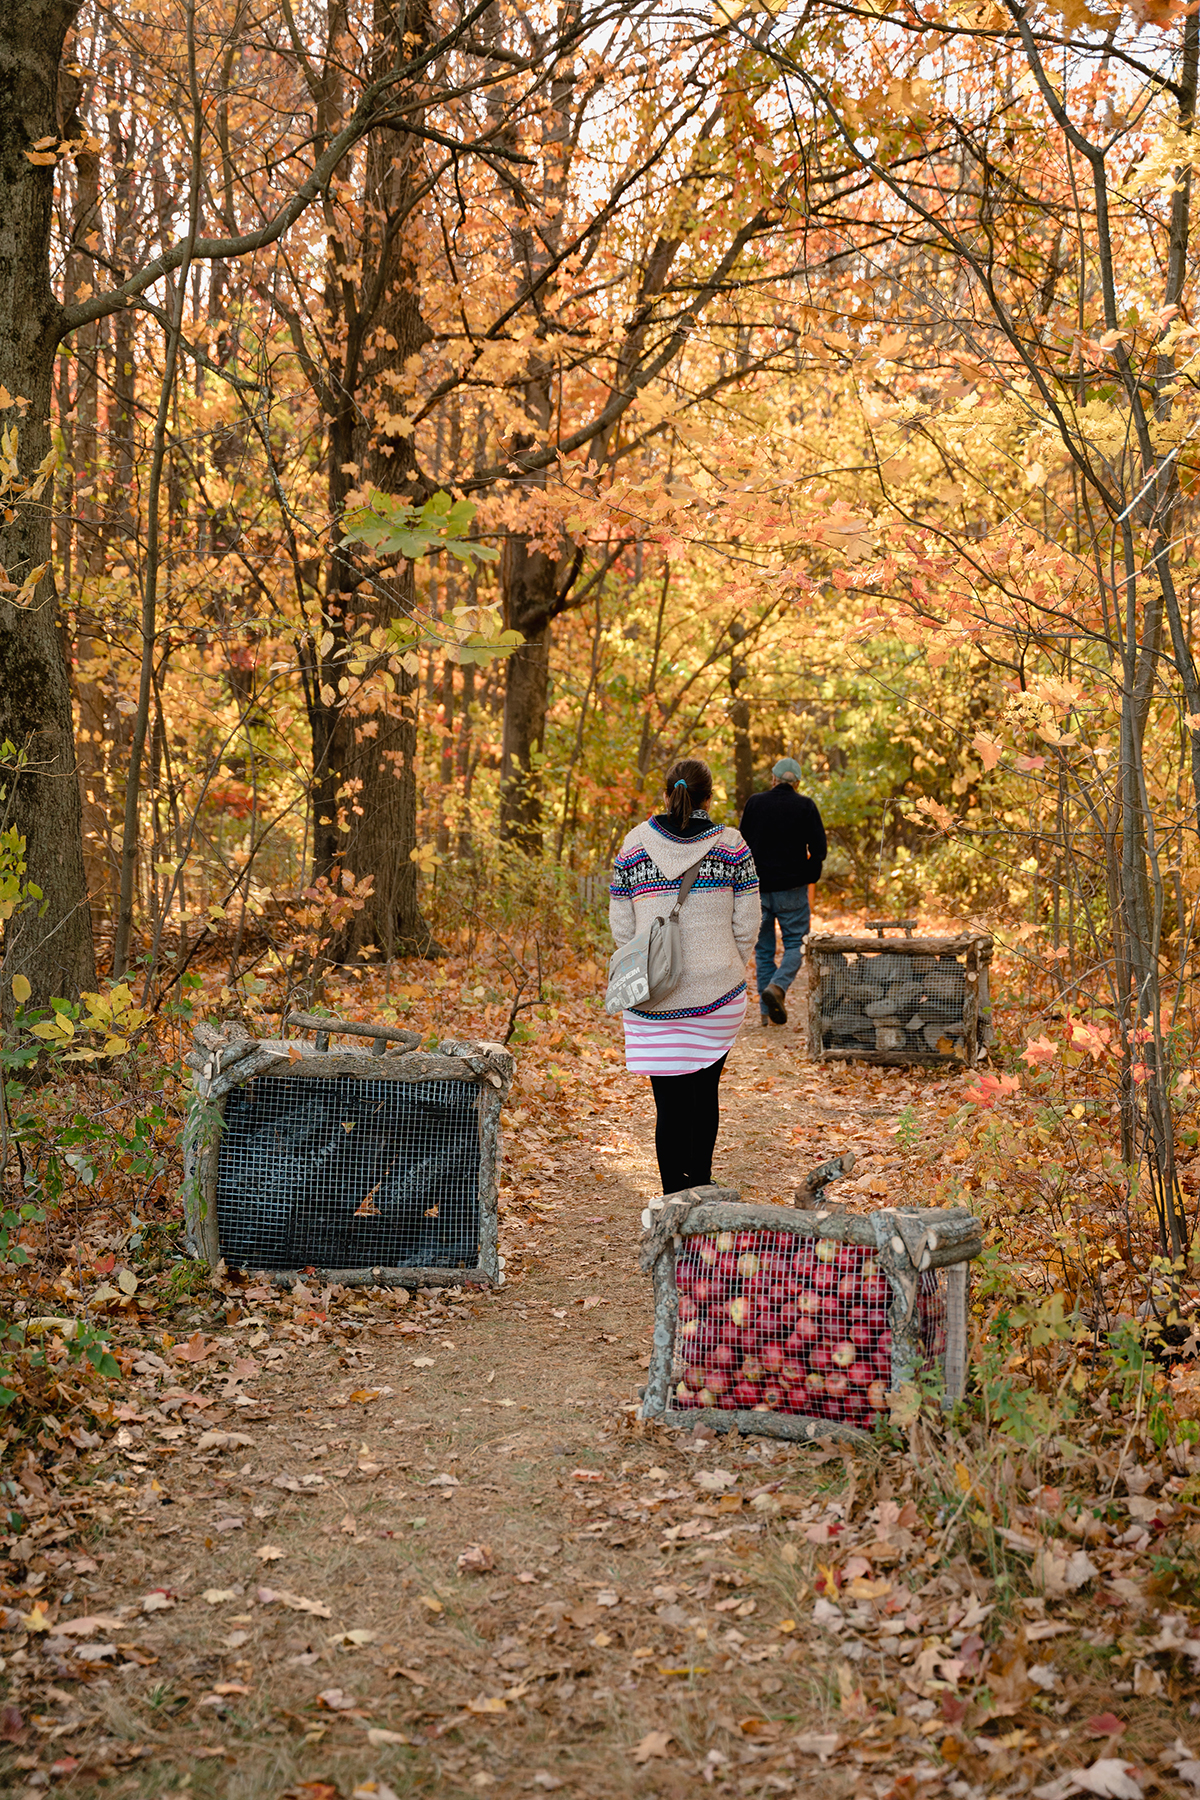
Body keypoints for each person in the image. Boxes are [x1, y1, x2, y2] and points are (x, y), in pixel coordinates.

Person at [609, 758, 760, 1195]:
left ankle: (673, 1199)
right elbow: (747, 922)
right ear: (708, 798)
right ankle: (702, 1190)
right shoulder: (732, 845)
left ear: (667, 793)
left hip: (653, 996)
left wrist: (647, 963)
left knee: (668, 1105)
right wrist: (730, 961)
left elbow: (622, 928)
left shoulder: (634, 846)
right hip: (718, 993)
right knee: (705, 1093)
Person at [738, 756, 827, 1027]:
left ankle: (766, 1012)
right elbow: (820, 851)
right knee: (796, 946)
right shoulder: (806, 806)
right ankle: (778, 987)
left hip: (758, 891)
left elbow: (741, 846)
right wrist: (807, 876)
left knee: (763, 951)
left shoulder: (755, 803)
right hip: (792, 890)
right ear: (797, 782)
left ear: (773, 779)